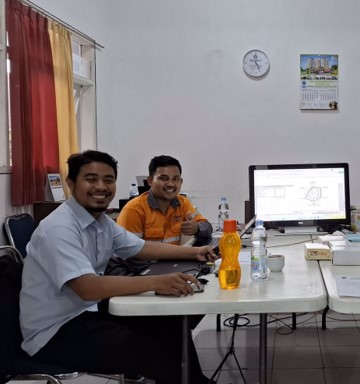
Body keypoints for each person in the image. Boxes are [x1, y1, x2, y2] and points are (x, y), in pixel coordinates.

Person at [19, 150, 217, 384]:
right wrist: (156, 282)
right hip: (56, 330)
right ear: (71, 183)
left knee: (171, 324)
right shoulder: (59, 228)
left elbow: (142, 247)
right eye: (91, 179)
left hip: (88, 310)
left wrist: (194, 252)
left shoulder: (101, 222)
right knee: (155, 351)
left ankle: (194, 380)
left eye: (108, 180)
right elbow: (87, 287)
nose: (101, 187)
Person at [117, 155, 213, 246]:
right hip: (147, 259)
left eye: (175, 179)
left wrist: (197, 228)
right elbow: (128, 251)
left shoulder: (183, 203)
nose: (170, 184)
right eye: (163, 178)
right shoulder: (134, 209)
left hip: (174, 257)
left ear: (181, 181)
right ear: (150, 181)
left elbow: (208, 227)